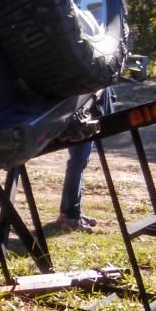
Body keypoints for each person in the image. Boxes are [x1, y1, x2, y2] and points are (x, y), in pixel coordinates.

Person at [56, 87, 115, 232]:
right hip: (81, 114)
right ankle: (71, 217)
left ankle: (68, 213)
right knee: (77, 162)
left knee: (78, 162)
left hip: (87, 111)